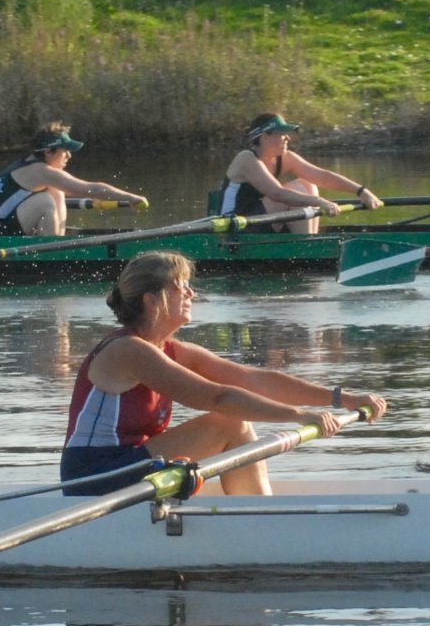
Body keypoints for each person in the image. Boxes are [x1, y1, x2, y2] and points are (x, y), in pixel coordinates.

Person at [61, 251, 389, 496]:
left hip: (132, 466)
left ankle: (256, 512)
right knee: (229, 420)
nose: (191, 294)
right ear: (153, 300)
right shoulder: (127, 350)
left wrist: (341, 398)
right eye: (181, 287)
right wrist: (299, 415)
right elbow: (214, 397)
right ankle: (256, 517)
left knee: (233, 420)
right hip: (94, 476)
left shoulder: (170, 348)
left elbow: (252, 379)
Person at [219, 112, 382, 235]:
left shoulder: (285, 158)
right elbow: (277, 194)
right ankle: (307, 249)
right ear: (265, 136)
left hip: (262, 220)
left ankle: (309, 240)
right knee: (295, 197)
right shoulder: (246, 158)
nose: (287, 138)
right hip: (234, 227)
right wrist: (319, 201)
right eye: (282, 133)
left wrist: (361, 191)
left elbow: (322, 176)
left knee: (307, 184)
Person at [0, 123, 148, 237]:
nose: (69, 155)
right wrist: (130, 197)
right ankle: (51, 254)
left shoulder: (28, 165)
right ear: (48, 152)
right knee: (44, 201)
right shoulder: (40, 171)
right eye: (64, 150)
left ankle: (58, 241)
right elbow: (91, 189)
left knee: (55, 190)